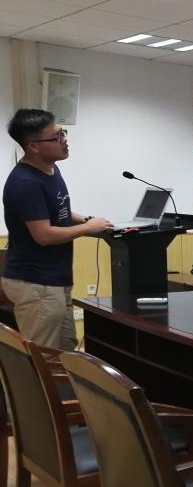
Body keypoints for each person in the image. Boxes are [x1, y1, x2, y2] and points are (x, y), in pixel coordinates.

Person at [1, 110, 113, 350]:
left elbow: (58, 211)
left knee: (65, 352)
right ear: (33, 146)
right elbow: (43, 235)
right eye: (56, 137)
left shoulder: (51, 170)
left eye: (63, 132)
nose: (64, 140)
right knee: (44, 356)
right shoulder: (26, 183)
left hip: (54, 279)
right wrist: (86, 228)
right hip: (36, 283)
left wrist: (86, 220)